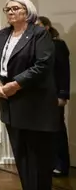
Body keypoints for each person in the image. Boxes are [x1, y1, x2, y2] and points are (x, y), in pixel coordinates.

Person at [0, 0, 56, 190]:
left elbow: (42, 65)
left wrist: (16, 84)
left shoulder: (39, 34)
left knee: (37, 158)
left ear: (27, 12)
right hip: (10, 104)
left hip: (34, 104)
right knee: (22, 156)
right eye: (7, 9)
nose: (10, 12)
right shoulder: (3, 34)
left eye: (15, 8)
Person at [37, 15, 71, 176]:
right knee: (42, 132)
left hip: (54, 94)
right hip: (38, 95)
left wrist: (63, 94)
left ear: (46, 27)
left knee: (57, 130)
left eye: (38, 25)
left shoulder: (58, 45)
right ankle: (48, 163)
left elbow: (64, 71)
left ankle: (61, 165)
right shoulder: (34, 45)